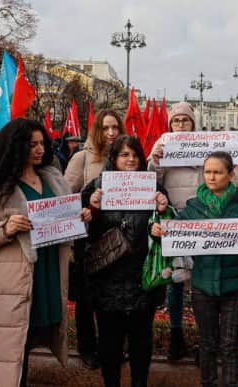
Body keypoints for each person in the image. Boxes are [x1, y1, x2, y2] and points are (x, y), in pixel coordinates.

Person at [0, 119, 92, 387]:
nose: (40, 149)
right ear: (15, 147)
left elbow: (62, 221)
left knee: (28, 340)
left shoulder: (52, 177)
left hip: (46, 273)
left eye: (42, 143)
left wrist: (81, 217)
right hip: (11, 282)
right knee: (11, 349)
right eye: (32, 144)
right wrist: (5, 228)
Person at [151, 151, 238, 387]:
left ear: (231, 174)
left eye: (218, 172)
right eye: (208, 172)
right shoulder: (194, 206)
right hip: (202, 287)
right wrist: (161, 230)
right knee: (208, 343)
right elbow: (174, 235)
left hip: (236, 287)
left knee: (229, 345)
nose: (211, 177)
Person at [148, 102, 238, 360]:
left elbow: (232, 178)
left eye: (185, 121)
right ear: (169, 125)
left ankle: (207, 342)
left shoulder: (208, 147)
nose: (181, 126)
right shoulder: (162, 144)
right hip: (177, 219)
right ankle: (177, 335)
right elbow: (151, 179)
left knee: (202, 287)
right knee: (175, 283)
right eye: (176, 121)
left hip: (207, 220)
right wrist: (156, 162)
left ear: (193, 124)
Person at [82, 135, 167, 387]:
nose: (131, 160)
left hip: (142, 280)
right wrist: (93, 210)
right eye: (124, 155)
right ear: (113, 158)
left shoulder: (154, 187)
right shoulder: (95, 187)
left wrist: (163, 213)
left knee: (141, 344)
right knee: (109, 346)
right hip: (107, 282)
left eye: (135, 155)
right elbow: (82, 233)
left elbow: (169, 232)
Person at [64, 109, 126, 369]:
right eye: (105, 128)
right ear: (96, 130)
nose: (111, 133)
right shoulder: (82, 158)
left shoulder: (126, 155)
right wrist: (86, 205)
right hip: (88, 237)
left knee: (115, 295)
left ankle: (111, 346)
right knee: (87, 297)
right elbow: (65, 195)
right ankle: (87, 348)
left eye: (115, 127)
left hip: (118, 238)